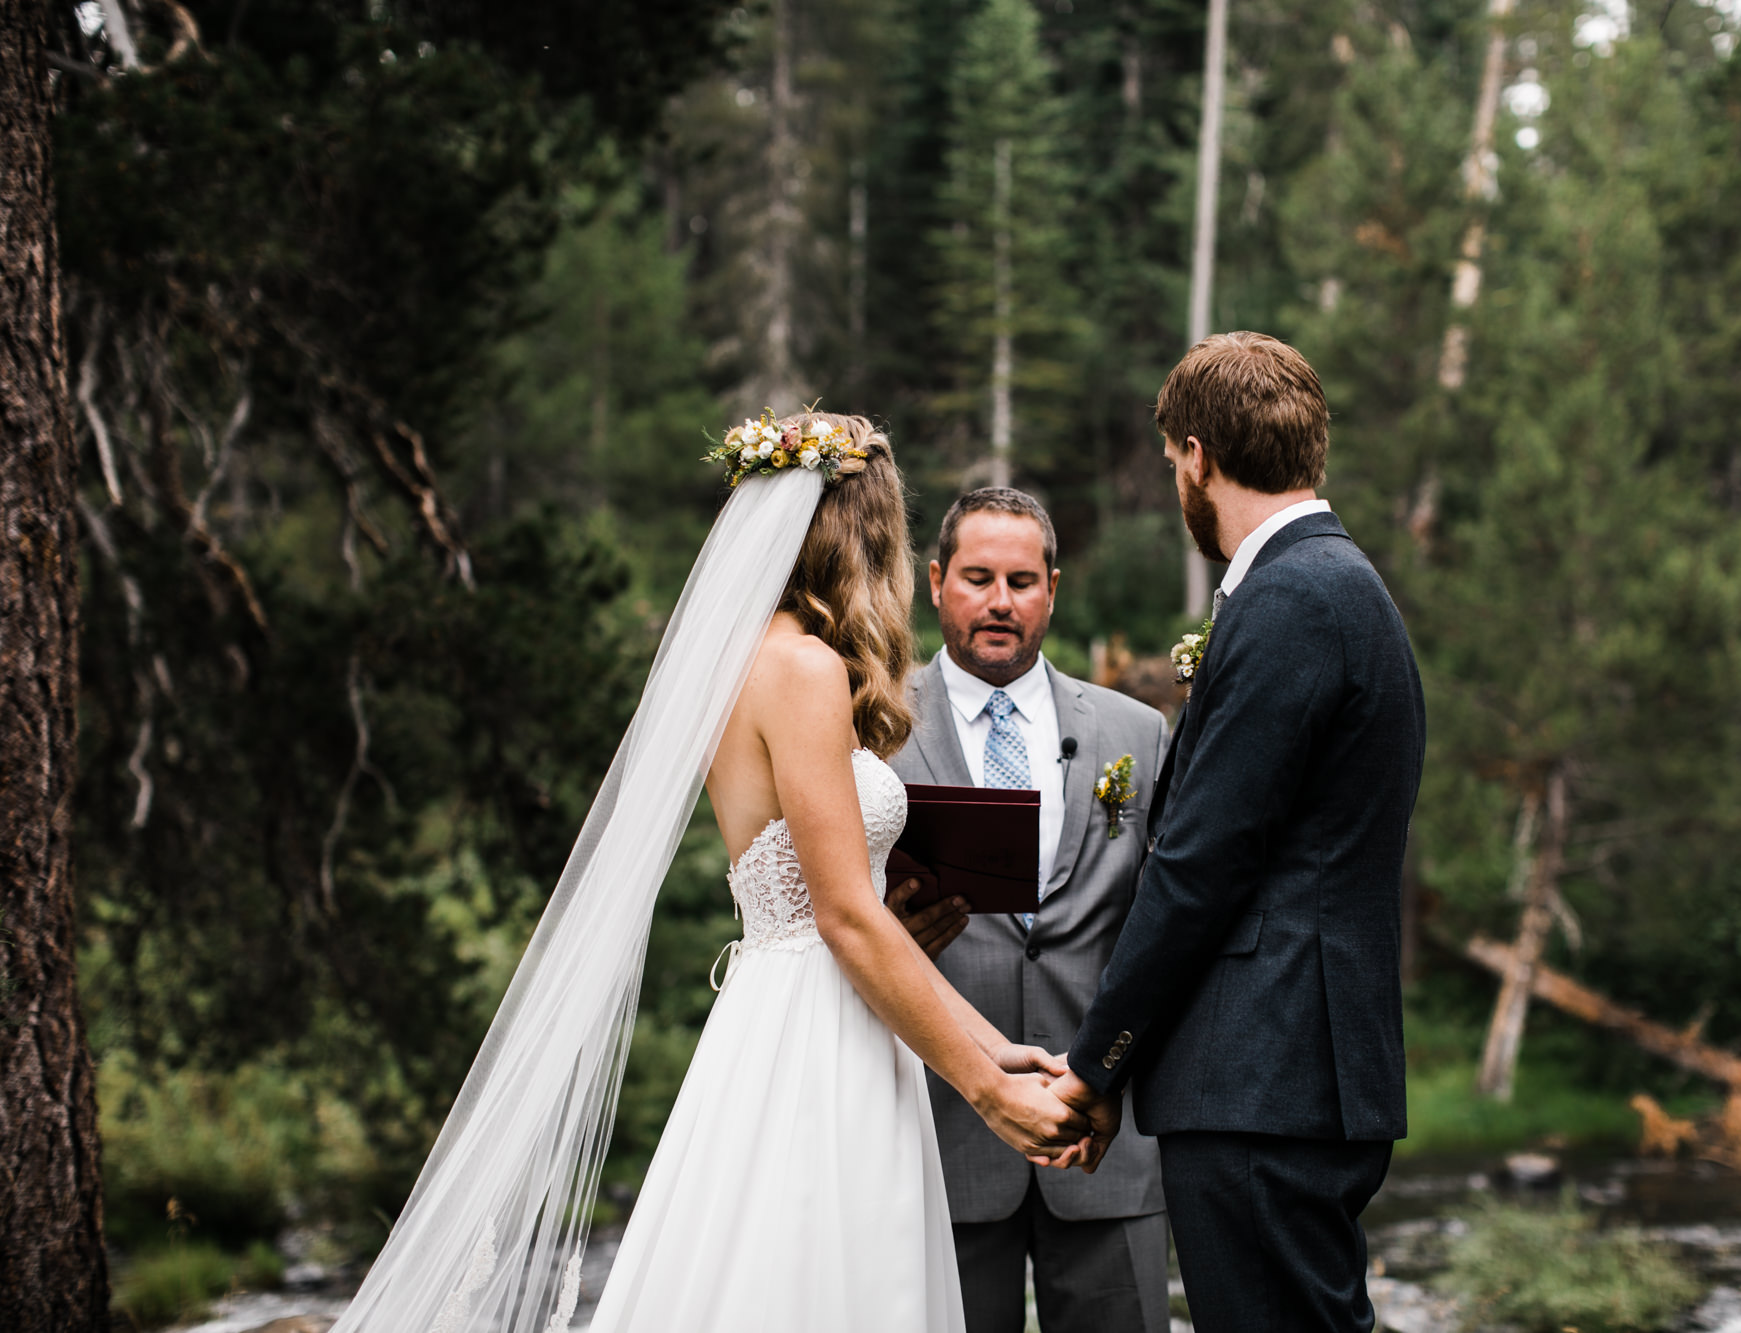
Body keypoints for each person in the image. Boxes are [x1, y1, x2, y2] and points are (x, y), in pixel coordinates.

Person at [331, 414, 1092, 1333]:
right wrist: (988, 1091)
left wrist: (992, 1044)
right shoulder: (805, 669)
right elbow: (849, 918)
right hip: (824, 1031)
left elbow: (841, 913)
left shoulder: (736, 662)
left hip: (776, 1014)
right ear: (863, 534)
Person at [1047, 333, 1426, 1333]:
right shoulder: (1334, 585)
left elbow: (1199, 863)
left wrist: (1096, 1062)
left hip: (1261, 1074)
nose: (1178, 478)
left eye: (1175, 459)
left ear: (1198, 457)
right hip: (1293, 1069)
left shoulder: (1291, 599)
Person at [885, 487, 1174, 1333]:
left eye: (1021, 580)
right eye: (978, 578)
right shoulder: (875, 723)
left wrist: (1114, 1069)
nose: (1000, 602)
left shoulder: (1135, 733)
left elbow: (1165, 919)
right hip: (939, 1139)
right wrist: (893, 936)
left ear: (1053, 586)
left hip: (1104, 1139)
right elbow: (832, 913)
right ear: (936, 582)